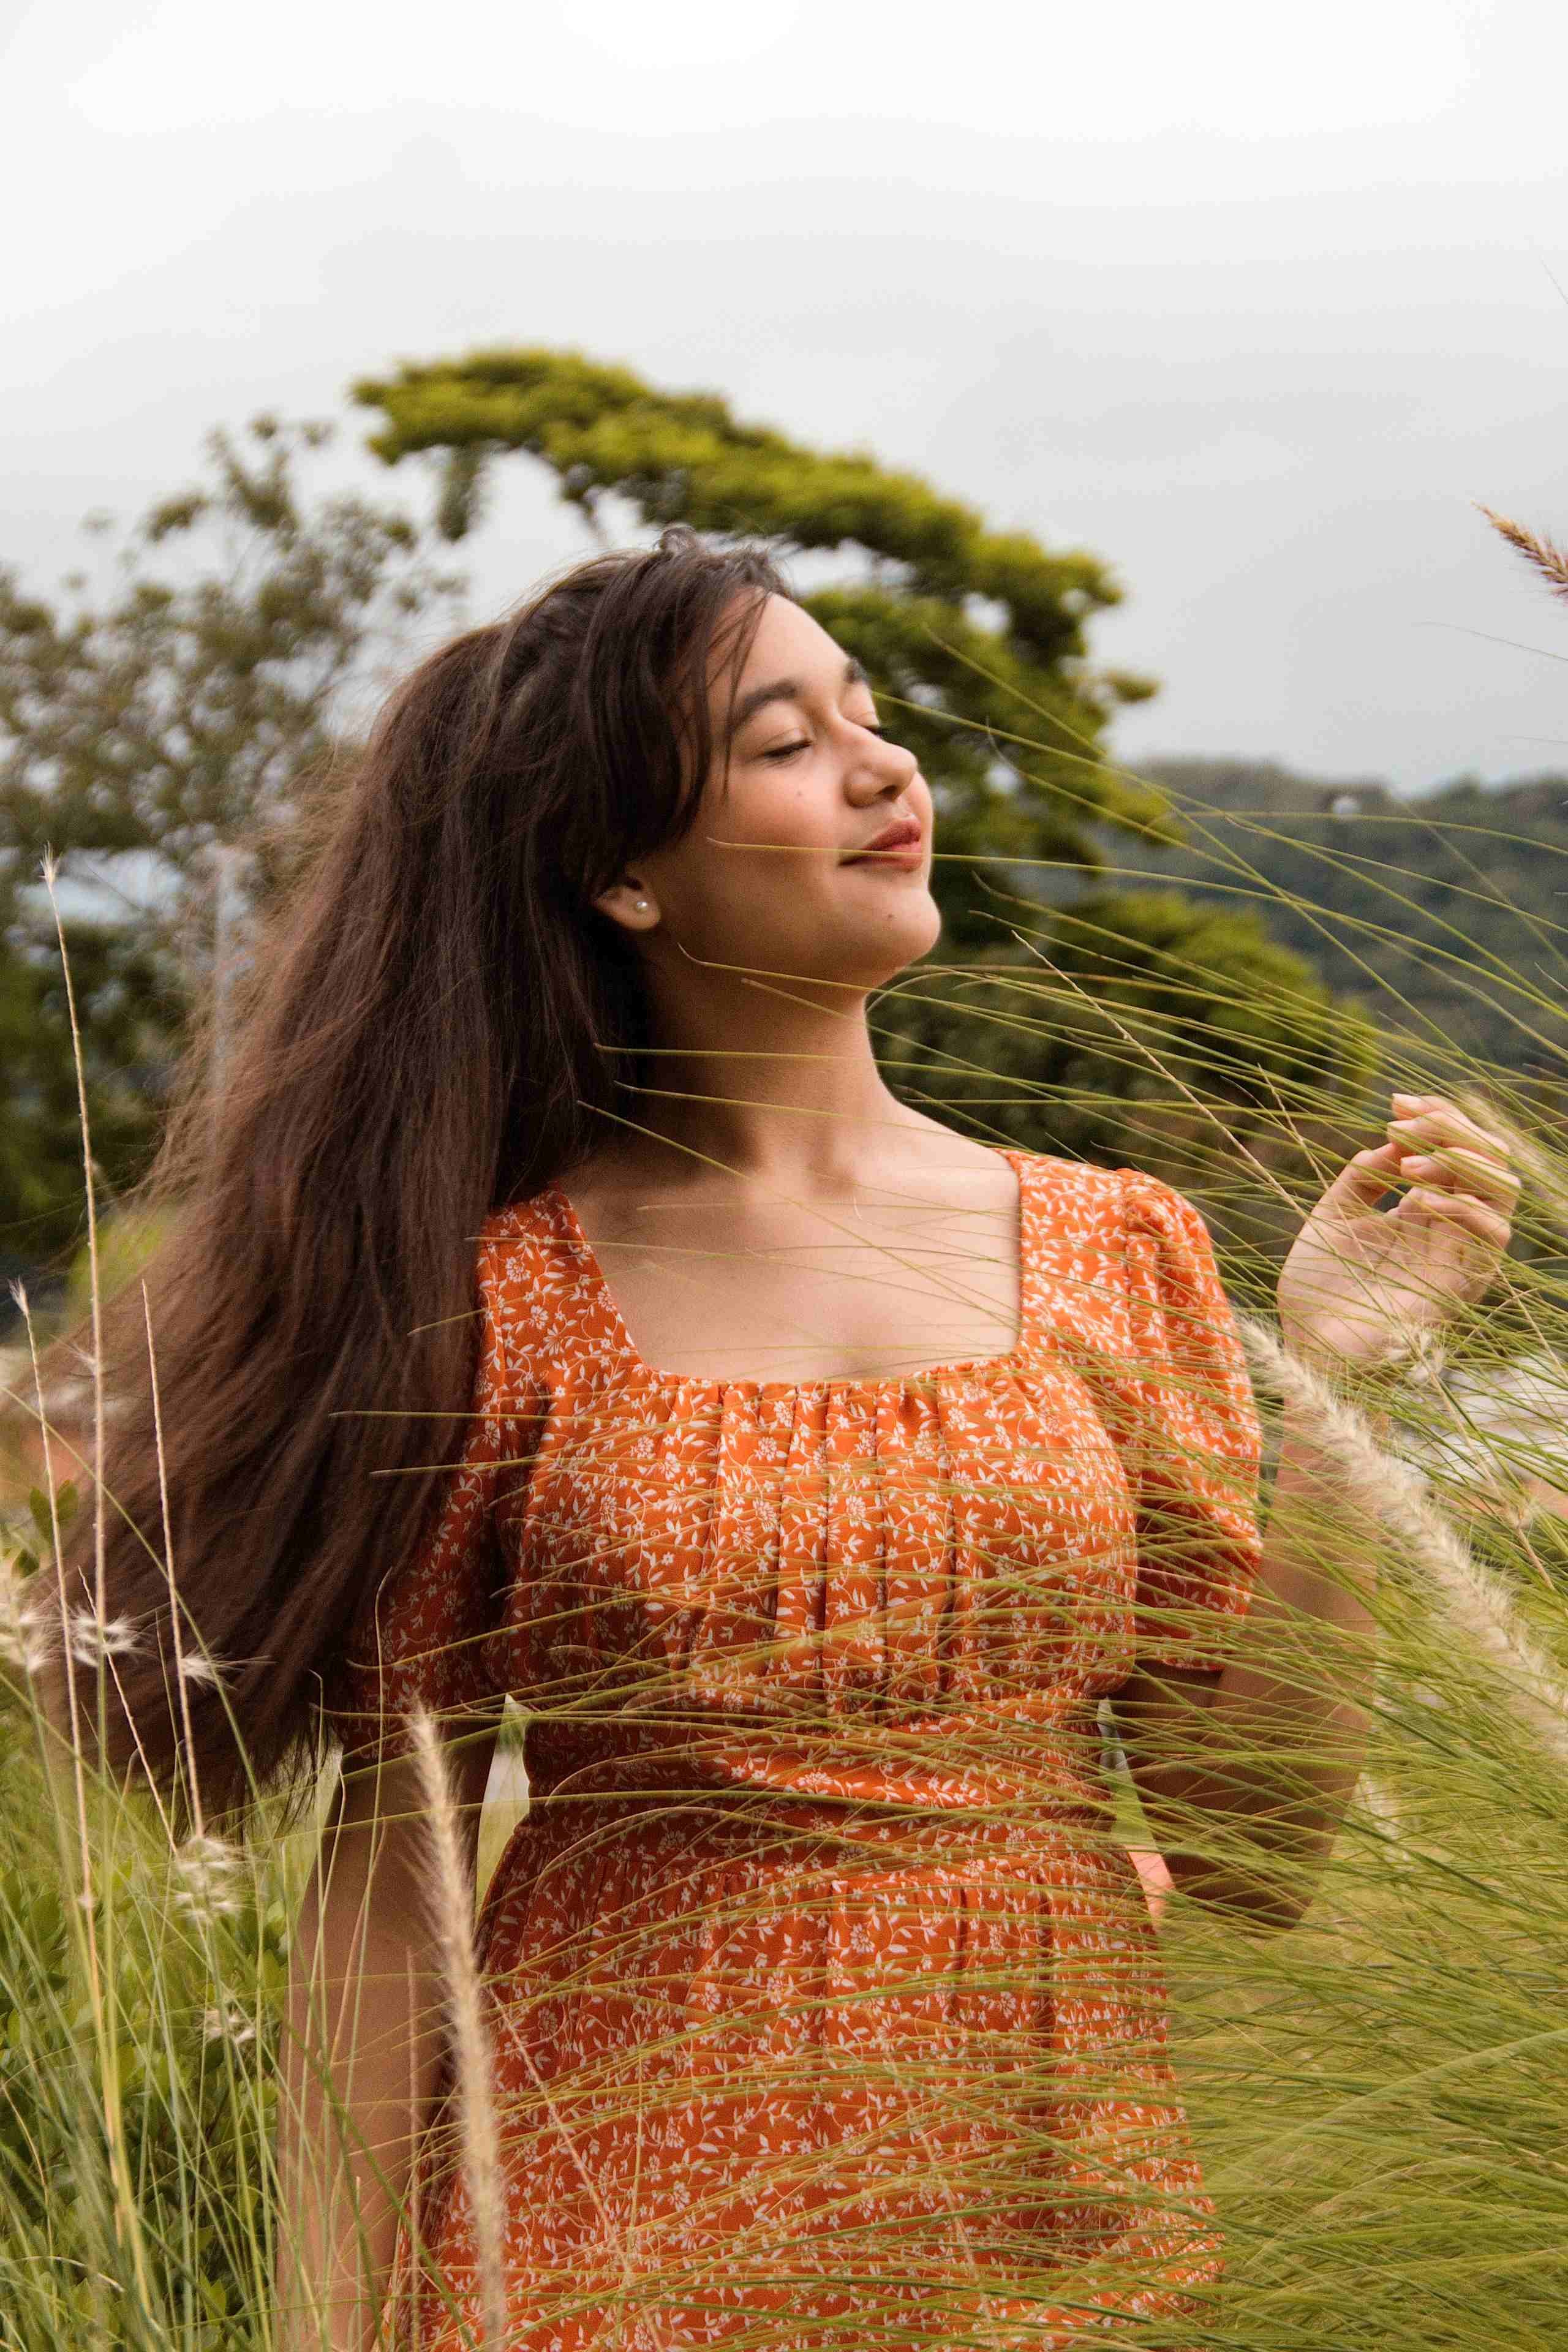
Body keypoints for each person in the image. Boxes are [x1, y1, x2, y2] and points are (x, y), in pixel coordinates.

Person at [58, 529, 1517, 2350]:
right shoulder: (498, 1298)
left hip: (1046, 2232)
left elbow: (1250, 1843)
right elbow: (390, 1890)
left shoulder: (1116, 1246)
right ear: (624, 876)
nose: (886, 766)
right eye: (782, 741)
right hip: (610, 2241)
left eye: (873, 718)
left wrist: (1339, 1391)